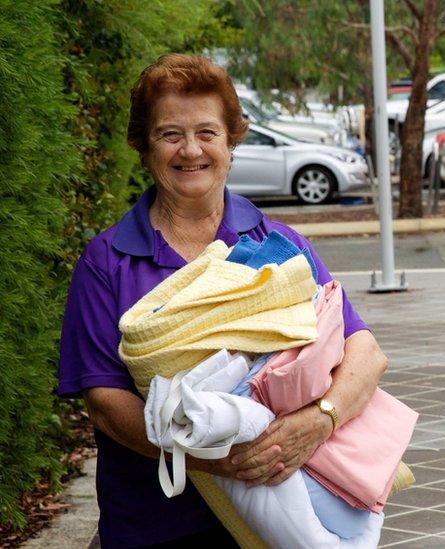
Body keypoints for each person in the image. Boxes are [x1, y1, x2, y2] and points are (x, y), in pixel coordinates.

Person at [57, 54, 388, 548]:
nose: (191, 150)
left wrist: (318, 421)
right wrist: (208, 457)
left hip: (281, 518)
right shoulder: (107, 261)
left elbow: (364, 350)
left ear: (232, 140)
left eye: (208, 133)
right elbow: (105, 403)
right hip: (158, 526)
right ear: (144, 147)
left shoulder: (279, 245)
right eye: (170, 134)